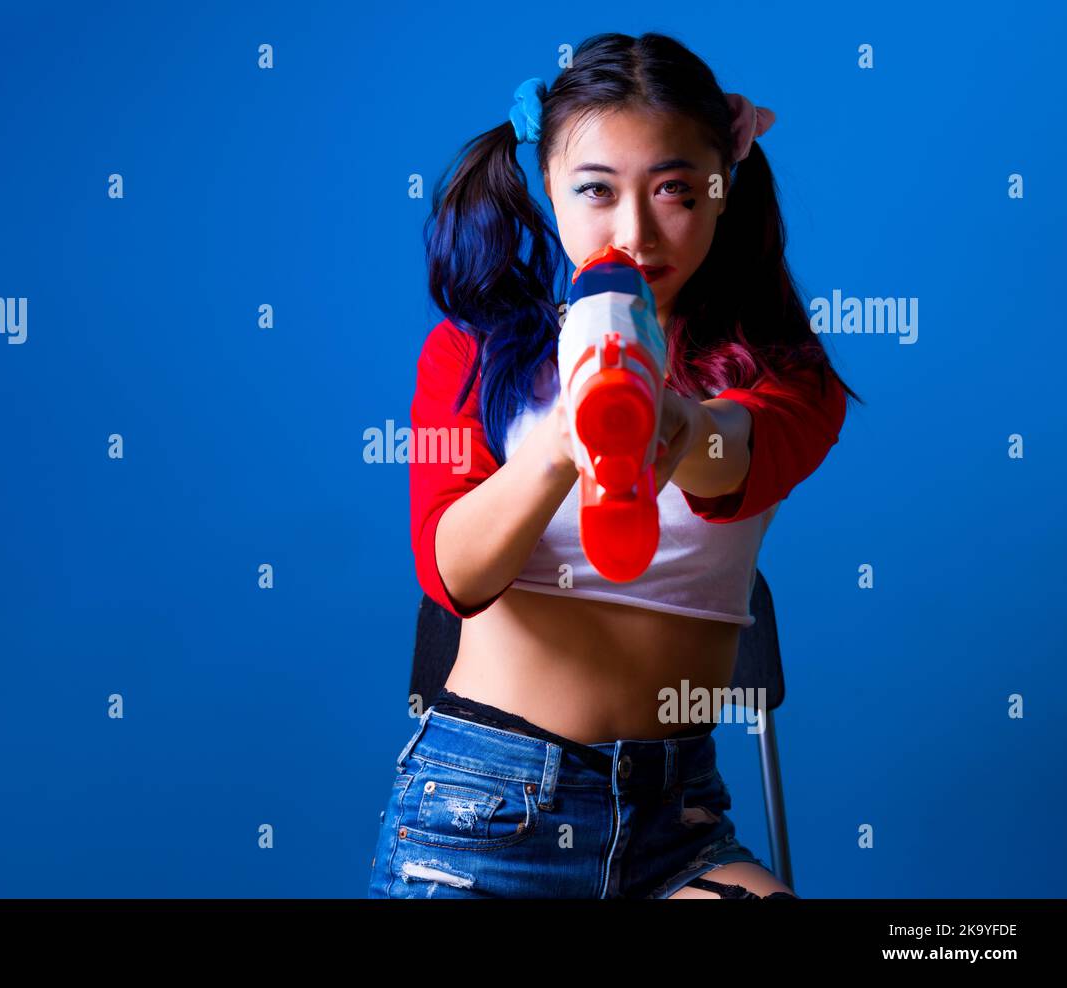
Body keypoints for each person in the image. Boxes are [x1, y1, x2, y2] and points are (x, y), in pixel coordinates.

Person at [367, 31, 861, 899]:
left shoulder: (784, 375)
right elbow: (455, 574)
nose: (633, 231)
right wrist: (564, 439)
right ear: (548, 189)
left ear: (721, 190)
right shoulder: (469, 358)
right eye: (596, 190)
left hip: (679, 828)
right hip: (484, 812)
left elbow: (729, 461)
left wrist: (665, 421)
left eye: (674, 190)